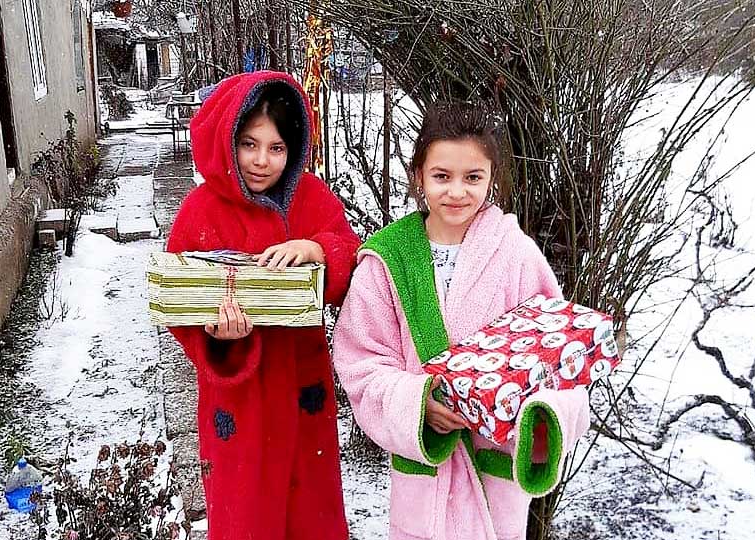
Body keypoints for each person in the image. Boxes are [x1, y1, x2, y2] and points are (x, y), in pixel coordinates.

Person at [332, 101, 592, 540]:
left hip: (494, 477)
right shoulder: (388, 259)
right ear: (418, 176)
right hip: (424, 480)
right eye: (441, 176)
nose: (457, 192)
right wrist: (417, 403)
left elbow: (557, 361)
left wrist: (533, 415)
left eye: (473, 177)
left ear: (492, 179)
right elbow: (360, 362)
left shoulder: (516, 254)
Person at [166, 71, 358, 540]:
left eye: (276, 148)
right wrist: (216, 338)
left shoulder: (311, 198)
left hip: (303, 389)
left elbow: (352, 254)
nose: (261, 161)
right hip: (241, 402)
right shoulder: (201, 210)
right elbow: (177, 297)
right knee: (246, 516)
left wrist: (317, 249)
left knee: (310, 511)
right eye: (250, 144)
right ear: (229, 140)